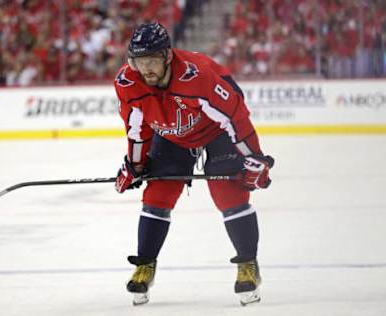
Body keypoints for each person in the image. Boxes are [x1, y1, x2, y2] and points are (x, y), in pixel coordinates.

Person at [113, 22, 274, 306]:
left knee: (229, 194)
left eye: (152, 61)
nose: (146, 69)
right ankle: (145, 264)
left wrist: (255, 159)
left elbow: (234, 117)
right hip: (172, 134)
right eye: (140, 62)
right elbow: (137, 129)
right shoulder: (128, 82)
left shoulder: (197, 76)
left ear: (167, 57)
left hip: (217, 132)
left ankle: (248, 264)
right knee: (158, 193)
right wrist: (135, 165)